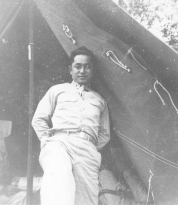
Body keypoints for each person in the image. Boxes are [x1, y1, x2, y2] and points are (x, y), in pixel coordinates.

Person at [32, 46, 110, 205]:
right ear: (70, 69)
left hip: (87, 150)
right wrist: (48, 141)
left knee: (87, 199)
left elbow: (104, 134)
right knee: (58, 181)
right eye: (78, 66)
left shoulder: (100, 100)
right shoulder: (57, 90)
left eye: (87, 66)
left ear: (92, 70)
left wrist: (89, 146)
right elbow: (39, 119)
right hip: (59, 143)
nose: (82, 70)